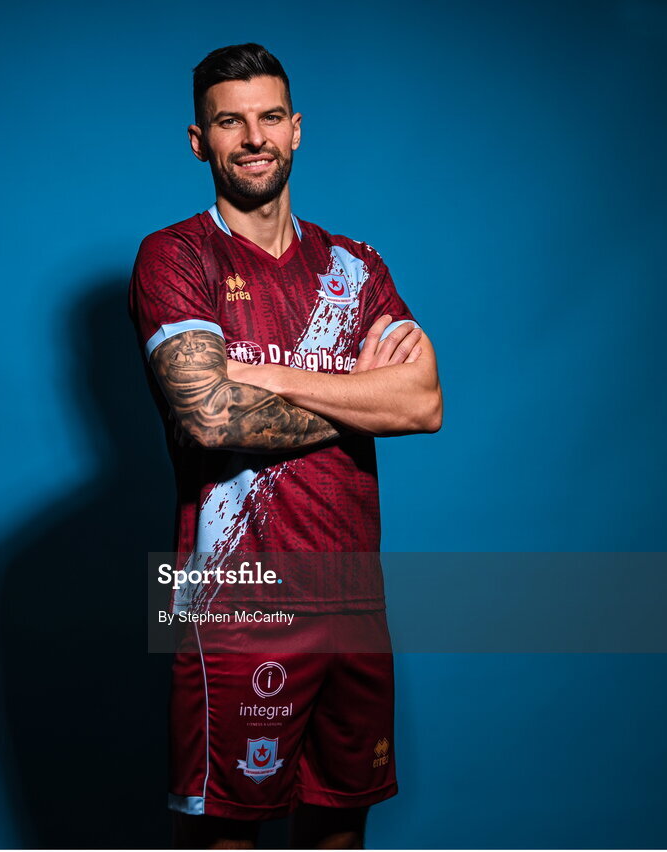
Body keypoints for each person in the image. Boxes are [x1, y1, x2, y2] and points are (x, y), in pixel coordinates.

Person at [128, 43, 442, 849]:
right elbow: (210, 418)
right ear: (200, 142)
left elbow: (423, 401)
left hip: (354, 603)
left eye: (269, 117)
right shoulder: (177, 257)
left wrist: (254, 370)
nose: (253, 136)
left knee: (341, 834)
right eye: (229, 122)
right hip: (240, 609)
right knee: (228, 838)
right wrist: (362, 401)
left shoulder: (355, 266)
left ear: (297, 130)